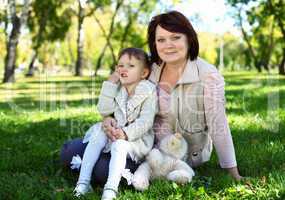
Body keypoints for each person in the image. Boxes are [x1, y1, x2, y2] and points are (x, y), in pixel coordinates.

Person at [60, 10, 242, 188]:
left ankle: (94, 168)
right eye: (161, 39)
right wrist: (108, 118)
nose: (168, 45)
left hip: (169, 155)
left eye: (175, 37)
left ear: (189, 39)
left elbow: (219, 125)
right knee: (69, 150)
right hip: (136, 140)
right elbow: (122, 96)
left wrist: (234, 173)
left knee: (101, 170)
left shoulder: (208, 76)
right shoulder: (151, 68)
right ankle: (91, 166)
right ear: (154, 44)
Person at [73, 47, 157, 199]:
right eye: (120, 65)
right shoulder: (118, 88)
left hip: (136, 141)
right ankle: (83, 183)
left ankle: (110, 189)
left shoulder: (149, 92)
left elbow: (146, 122)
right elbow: (103, 109)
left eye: (131, 66)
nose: (124, 69)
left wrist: (125, 133)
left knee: (119, 144)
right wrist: (110, 83)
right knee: (99, 133)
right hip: (115, 133)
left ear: (144, 73)